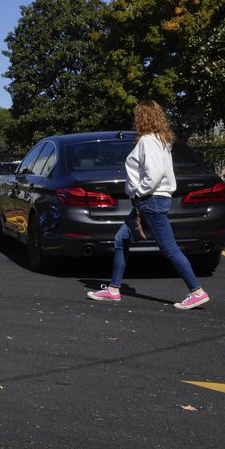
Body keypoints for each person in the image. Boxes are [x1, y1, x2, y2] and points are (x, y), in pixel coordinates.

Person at [87, 101, 210, 310]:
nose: (135, 120)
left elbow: (154, 174)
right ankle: (113, 289)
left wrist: (139, 192)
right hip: (152, 200)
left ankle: (197, 291)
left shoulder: (147, 141)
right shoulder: (162, 140)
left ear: (142, 118)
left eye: (137, 116)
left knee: (169, 248)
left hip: (150, 200)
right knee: (121, 239)